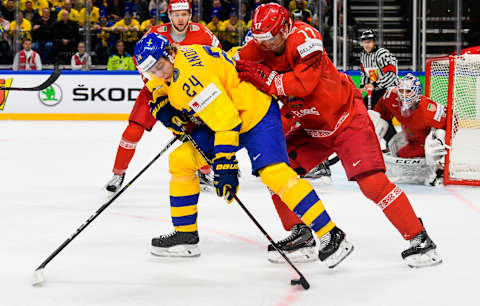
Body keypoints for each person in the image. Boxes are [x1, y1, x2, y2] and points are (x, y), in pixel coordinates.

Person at [236, 3, 441, 268]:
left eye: (272, 37)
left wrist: (270, 79)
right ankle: (302, 234)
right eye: (261, 38)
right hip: (311, 126)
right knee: (276, 170)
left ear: (286, 28)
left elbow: (303, 84)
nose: (266, 44)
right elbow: (232, 73)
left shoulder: (305, 38)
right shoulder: (256, 48)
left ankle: (419, 238)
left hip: (347, 119)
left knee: (372, 183)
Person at [135, 33, 354, 269]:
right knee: (180, 160)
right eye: (153, 71)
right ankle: (185, 236)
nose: (159, 73)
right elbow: (159, 84)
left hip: (255, 115)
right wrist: (159, 99)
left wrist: (226, 163)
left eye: (160, 67)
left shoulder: (190, 79)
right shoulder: (185, 52)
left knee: (275, 174)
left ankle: (331, 233)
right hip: (230, 113)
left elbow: (226, 121)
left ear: (169, 53)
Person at [105, 0, 220, 194]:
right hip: (155, 92)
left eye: (184, 14)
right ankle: (118, 173)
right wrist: (156, 87)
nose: (180, 19)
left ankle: (205, 171)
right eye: (176, 15)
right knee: (132, 131)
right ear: (169, 15)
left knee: (191, 137)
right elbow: (139, 61)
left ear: (190, 14)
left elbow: (217, 57)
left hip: (186, 94)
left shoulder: (203, 33)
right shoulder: (154, 34)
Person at [369, 74, 447, 186]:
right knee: (393, 145)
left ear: (417, 93)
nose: (404, 95)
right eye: (401, 90)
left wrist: (439, 139)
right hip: (409, 137)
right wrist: (373, 128)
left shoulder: (429, 109)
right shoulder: (391, 97)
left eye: (408, 91)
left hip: (423, 143)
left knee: (428, 149)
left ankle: (438, 168)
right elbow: (381, 111)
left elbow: (452, 121)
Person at [359, 29, 398, 143]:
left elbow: (391, 74)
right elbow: (365, 74)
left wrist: (374, 84)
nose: (367, 44)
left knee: (382, 115)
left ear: (374, 42)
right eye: (365, 42)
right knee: (363, 109)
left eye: (369, 41)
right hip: (377, 89)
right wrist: (363, 87)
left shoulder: (382, 53)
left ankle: (393, 142)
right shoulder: (363, 55)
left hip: (390, 90)